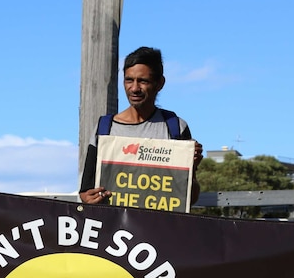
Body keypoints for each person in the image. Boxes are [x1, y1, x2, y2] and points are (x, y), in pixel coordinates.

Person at [79, 46, 203, 205]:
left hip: (157, 228)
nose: (135, 88)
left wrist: (190, 168)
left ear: (160, 83)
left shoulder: (176, 128)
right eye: (129, 80)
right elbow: (85, 192)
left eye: (143, 81)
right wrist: (89, 198)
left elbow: (188, 199)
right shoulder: (104, 128)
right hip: (113, 228)